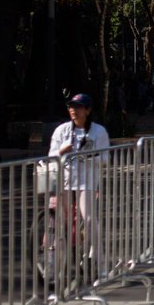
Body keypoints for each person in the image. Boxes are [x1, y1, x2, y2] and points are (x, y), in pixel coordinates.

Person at [47, 93, 111, 280]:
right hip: (64, 180)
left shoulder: (98, 132)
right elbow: (52, 155)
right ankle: (53, 262)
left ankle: (98, 262)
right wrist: (62, 151)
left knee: (89, 219)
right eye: (71, 107)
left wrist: (89, 156)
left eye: (79, 107)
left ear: (88, 110)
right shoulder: (62, 130)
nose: (74, 110)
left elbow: (105, 158)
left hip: (87, 181)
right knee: (58, 221)